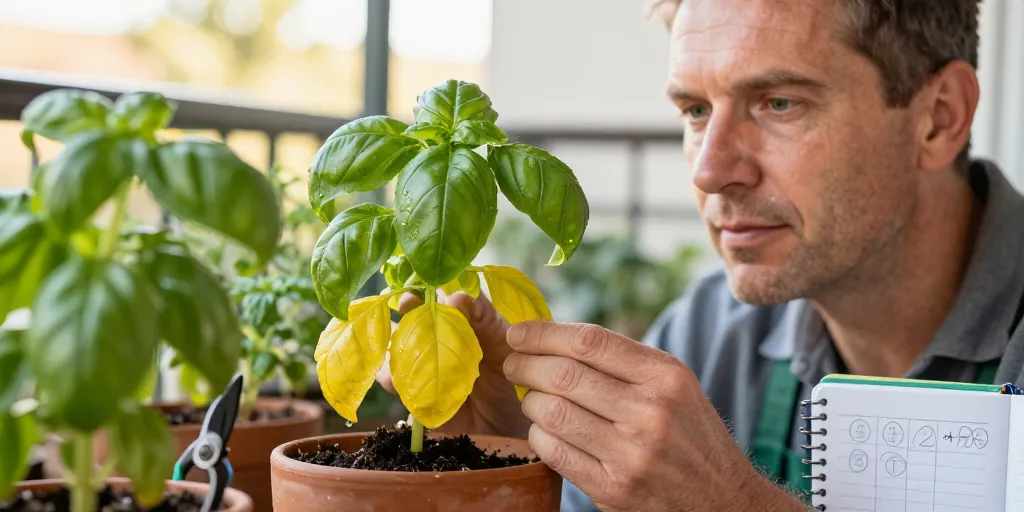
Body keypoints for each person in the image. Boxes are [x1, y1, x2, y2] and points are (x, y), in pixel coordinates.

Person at [379, 0, 1024, 510]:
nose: (710, 170)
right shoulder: (710, 330)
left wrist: (733, 503)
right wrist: (518, 455)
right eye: (694, 110)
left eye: (779, 103)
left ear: (939, 118)